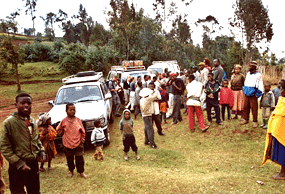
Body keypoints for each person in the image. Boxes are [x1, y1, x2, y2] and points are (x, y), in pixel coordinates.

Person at [1, 93, 46, 194]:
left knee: (34, 190)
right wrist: (19, 163)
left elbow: (36, 139)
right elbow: (4, 147)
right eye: (23, 103)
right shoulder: (9, 123)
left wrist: (41, 151)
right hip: (17, 166)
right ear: (16, 105)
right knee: (17, 191)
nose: (26, 105)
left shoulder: (32, 121)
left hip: (33, 164)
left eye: (29, 103)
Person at [56, 103, 87, 179]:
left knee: (79, 158)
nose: (73, 111)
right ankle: (71, 171)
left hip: (78, 142)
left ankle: (81, 172)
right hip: (67, 143)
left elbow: (83, 131)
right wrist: (63, 134)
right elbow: (58, 129)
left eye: (74, 109)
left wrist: (82, 139)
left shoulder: (78, 120)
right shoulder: (64, 121)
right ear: (66, 111)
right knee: (69, 158)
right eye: (70, 110)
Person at [262, 79, 285, 180]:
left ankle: (283, 173)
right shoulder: (281, 100)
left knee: (282, 152)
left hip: (282, 133)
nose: (281, 91)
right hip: (278, 131)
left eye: (282, 89)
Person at [240, 61, 263, 128]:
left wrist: (257, 94)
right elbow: (246, 83)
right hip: (247, 93)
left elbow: (260, 85)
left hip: (253, 94)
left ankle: (255, 121)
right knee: (245, 107)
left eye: (250, 66)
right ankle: (246, 119)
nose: (249, 67)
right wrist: (245, 90)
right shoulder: (248, 74)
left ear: (254, 67)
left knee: (254, 108)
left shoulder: (258, 75)